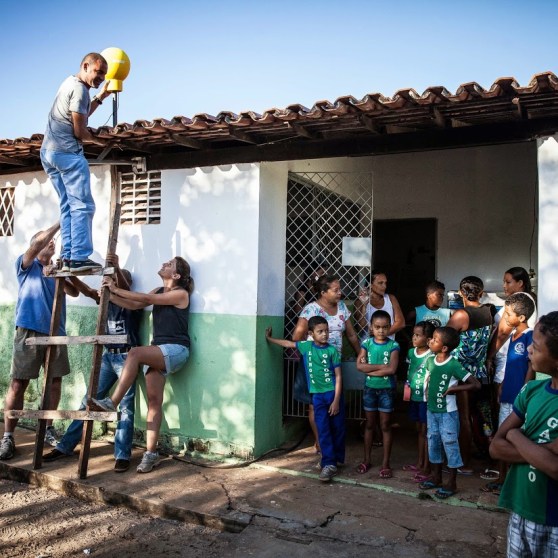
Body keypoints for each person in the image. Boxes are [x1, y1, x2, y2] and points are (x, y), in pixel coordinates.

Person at [89, 257, 193, 474]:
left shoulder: (181, 294)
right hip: (159, 350)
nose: (164, 263)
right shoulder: (158, 289)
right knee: (154, 402)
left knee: (134, 353)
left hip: (176, 350)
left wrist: (115, 287)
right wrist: (111, 295)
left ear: (176, 276)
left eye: (170, 264)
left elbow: (144, 297)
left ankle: (112, 402)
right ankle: (150, 454)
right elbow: (135, 304)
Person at [43, 257, 143, 472]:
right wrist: (69, 274)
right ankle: (66, 446)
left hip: (127, 357)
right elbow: (87, 290)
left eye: (115, 279)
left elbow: (124, 286)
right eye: (108, 279)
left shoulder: (132, 302)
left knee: (125, 407)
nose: (109, 282)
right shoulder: (104, 300)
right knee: (88, 401)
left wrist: (115, 270)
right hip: (107, 356)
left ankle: (122, 455)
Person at [0, 222, 80, 460]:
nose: (52, 242)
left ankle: (46, 428)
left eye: (53, 242)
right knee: (18, 384)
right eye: (48, 241)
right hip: (29, 332)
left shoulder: (56, 270)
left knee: (54, 383)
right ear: (37, 245)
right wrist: (60, 222)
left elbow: (74, 292)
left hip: (56, 333)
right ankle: (8, 437)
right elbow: (36, 244)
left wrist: (63, 272)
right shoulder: (26, 265)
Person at [490, 312, 558, 557]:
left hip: (553, 519)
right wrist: (541, 451)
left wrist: (516, 436)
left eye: (537, 347)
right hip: (520, 509)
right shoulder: (532, 390)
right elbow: (495, 447)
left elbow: (555, 467)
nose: (529, 349)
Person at [40, 52, 111, 274]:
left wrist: (101, 96)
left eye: (104, 74)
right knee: (83, 205)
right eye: (98, 72)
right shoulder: (80, 89)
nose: (100, 77)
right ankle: (79, 257)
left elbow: (79, 114)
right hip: (68, 153)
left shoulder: (69, 83)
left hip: (49, 153)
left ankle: (68, 256)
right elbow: (79, 131)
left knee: (67, 206)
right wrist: (97, 140)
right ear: (85, 66)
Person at [266, 317, 344, 482]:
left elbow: (338, 376)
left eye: (326, 331)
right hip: (317, 396)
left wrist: (336, 399)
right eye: (320, 331)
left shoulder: (332, 351)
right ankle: (329, 463)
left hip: (332, 394)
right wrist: (269, 339)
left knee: (337, 428)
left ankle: (335, 459)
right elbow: (288, 344)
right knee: (323, 429)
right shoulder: (306, 347)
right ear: (311, 334)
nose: (324, 335)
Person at [292, 274, 360, 452]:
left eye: (340, 289)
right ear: (323, 292)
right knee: (315, 405)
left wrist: (360, 353)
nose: (340, 293)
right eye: (335, 290)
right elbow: (297, 337)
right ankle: (320, 441)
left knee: (333, 403)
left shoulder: (342, 307)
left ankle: (330, 441)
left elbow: (351, 334)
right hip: (314, 365)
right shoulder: (310, 310)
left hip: (334, 364)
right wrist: (313, 350)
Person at [482, 293, 535, 494]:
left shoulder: (529, 336)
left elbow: (530, 367)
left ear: (521, 318)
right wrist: (502, 385)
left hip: (518, 400)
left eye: (508, 315)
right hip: (507, 396)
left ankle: (511, 483)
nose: (504, 319)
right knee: (501, 437)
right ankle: (502, 479)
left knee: (514, 438)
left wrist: (524, 391)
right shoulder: (513, 336)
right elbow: (511, 366)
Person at [418, 327, 481, 499]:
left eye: (435, 340)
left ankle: (451, 482)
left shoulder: (453, 364)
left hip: (448, 413)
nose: (430, 341)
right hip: (432, 411)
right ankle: (437, 477)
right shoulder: (430, 360)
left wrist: (455, 389)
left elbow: (476, 384)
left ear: (444, 348)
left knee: (450, 444)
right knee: (434, 442)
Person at [446, 276, 495, 472]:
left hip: (463, 374)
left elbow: (445, 338)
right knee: (483, 416)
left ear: (460, 293)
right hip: (481, 371)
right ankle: (491, 457)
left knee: (464, 418)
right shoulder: (488, 312)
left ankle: (464, 463)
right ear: (481, 293)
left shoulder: (461, 315)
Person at [356, 310, 400, 479]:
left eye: (385, 327)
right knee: (369, 424)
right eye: (377, 327)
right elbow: (359, 367)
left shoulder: (393, 346)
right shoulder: (366, 343)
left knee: (385, 426)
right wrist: (381, 369)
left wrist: (371, 369)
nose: (381, 330)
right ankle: (366, 459)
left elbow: (392, 369)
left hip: (386, 390)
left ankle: (385, 463)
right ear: (371, 327)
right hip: (370, 389)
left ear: (389, 327)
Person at [489, 267, 538, 383]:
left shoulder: (518, 301)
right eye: (503, 282)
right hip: (510, 355)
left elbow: (503, 332)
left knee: (501, 395)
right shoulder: (524, 298)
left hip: (508, 357)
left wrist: (489, 356)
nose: (504, 285)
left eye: (508, 282)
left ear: (520, 283)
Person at [402, 320, 435, 481]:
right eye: (413, 334)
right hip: (414, 396)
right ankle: (420, 462)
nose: (414, 338)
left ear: (428, 339)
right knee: (419, 430)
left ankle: (427, 466)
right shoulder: (410, 353)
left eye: (418, 335)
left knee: (427, 432)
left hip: (425, 399)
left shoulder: (432, 355)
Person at [353, 270, 405, 340]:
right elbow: (359, 329)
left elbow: (401, 323)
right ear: (370, 285)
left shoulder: (391, 299)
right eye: (380, 283)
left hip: (388, 347)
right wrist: (364, 305)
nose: (385, 286)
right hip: (368, 347)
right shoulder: (359, 302)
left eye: (385, 283)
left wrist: (379, 333)